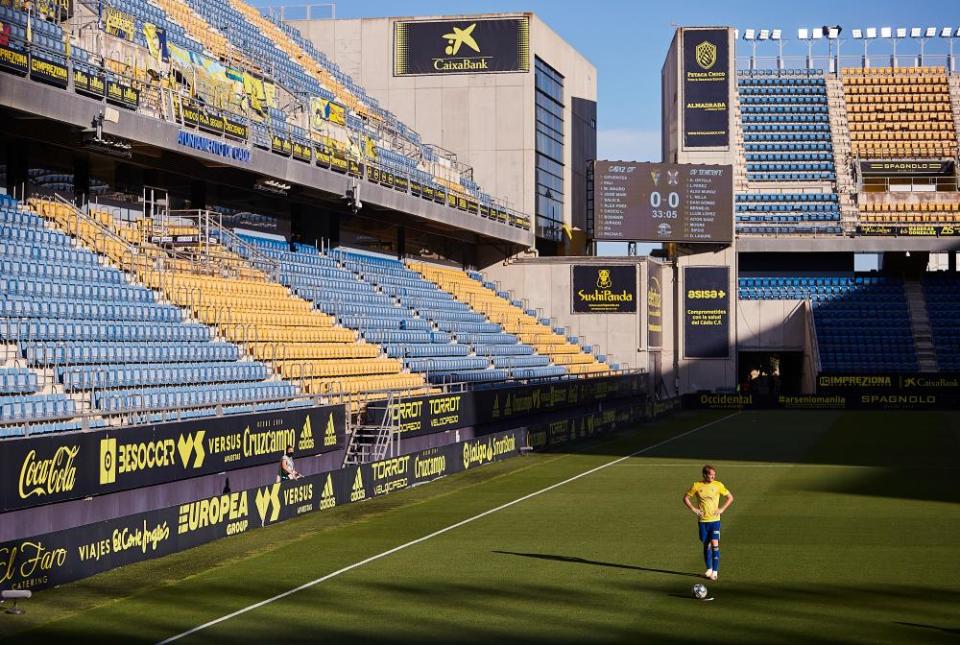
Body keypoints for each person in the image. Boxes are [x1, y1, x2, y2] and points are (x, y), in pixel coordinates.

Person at [682, 464, 733, 580]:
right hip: (703, 521)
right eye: (711, 475)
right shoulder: (696, 485)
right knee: (706, 545)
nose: (713, 477)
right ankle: (709, 569)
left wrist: (722, 509)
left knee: (715, 544)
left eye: (714, 475)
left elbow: (730, 497)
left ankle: (715, 572)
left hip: (715, 520)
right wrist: (694, 509)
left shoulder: (718, 485)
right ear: (704, 475)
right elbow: (685, 498)